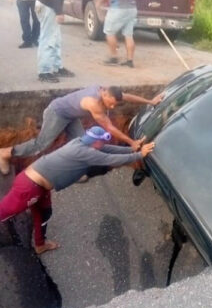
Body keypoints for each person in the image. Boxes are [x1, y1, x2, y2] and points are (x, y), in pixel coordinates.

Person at [0, 126, 155, 254]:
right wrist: (140, 155)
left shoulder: (80, 142)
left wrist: (133, 148)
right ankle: (40, 244)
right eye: (102, 141)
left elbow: (108, 148)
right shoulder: (86, 153)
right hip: (29, 187)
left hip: (39, 186)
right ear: (95, 142)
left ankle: (40, 245)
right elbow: (111, 159)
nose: (104, 143)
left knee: (44, 213)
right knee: (4, 212)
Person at [0, 86, 164, 175]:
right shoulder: (92, 103)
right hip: (57, 113)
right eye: (111, 104)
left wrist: (150, 100)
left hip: (71, 116)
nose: (113, 107)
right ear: (104, 95)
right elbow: (109, 127)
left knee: (81, 143)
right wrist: (131, 142)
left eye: (115, 104)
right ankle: (5, 153)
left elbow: (126, 96)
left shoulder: (109, 93)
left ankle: (75, 170)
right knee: (41, 144)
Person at [32, 0, 74, 83]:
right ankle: (44, 71)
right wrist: (58, 10)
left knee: (55, 38)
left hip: (48, 5)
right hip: (48, 5)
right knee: (48, 39)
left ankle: (56, 67)